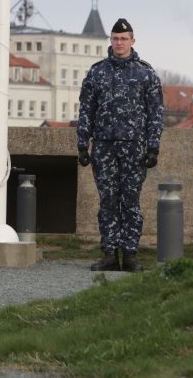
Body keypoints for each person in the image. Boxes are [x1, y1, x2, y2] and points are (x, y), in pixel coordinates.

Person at [78, 18, 163, 273]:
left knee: (130, 201)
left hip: (134, 147)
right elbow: (86, 110)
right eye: (115, 39)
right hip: (103, 147)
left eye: (124, 39)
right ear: (111, 41)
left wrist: (153, 147)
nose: (119, 43)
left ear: (132, 41)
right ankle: (109, 254)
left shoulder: (145, 73)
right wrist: (83, 144)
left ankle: (130, 255)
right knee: (107, 201)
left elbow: (155, 113)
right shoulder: (97, 72)